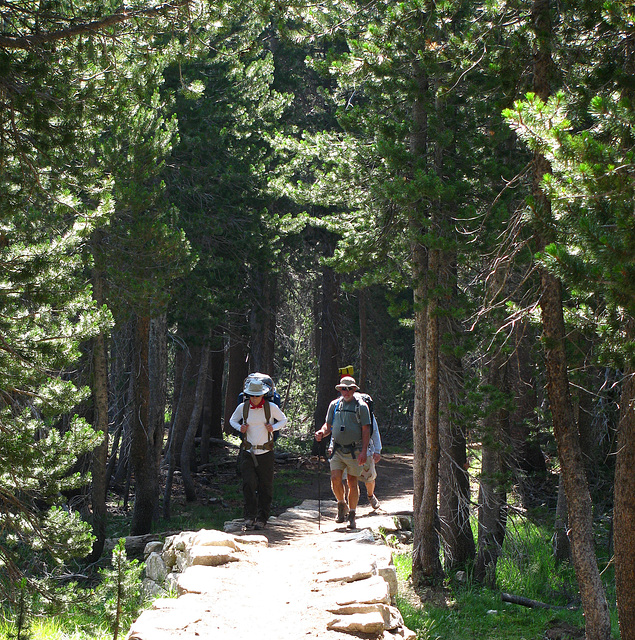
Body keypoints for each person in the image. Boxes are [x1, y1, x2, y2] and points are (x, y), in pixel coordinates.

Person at [229, 377, 287, 531]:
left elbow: (283, 420)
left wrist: (273, 428)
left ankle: (262, 518)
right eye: (252, 395)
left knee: (265, 486)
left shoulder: (271, 407)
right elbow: (232, 420)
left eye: (257, 395)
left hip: (266, 452)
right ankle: (249, 517)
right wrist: (239, 427)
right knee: (248, 484)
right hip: (248, 451)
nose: (254, 398)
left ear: (263, 395)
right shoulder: (243, 407)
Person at [315, 375, 372, 530]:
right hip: (337, 449)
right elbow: (328, 426)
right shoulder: (334, 405)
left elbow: (366, 430)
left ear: (354, 389)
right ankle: (341, 505)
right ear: (340, 389)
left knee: (352, 482)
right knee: (335, 478)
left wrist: (364, 451)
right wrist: (321, 432)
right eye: (343, 389)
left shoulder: (361, 407)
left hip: (355, 450)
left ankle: (352, 514)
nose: (346, 392)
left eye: (349, 389)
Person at [331, 414, 382, 510]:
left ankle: (370, 495)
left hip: (365, 451)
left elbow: (374, 430)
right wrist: (332, 445)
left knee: (369, 478)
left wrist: (377, 450)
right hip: (344, 451)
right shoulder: (341, 409)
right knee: (348, 479)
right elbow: (337, 429)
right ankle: (346, 507)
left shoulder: (364, 409)